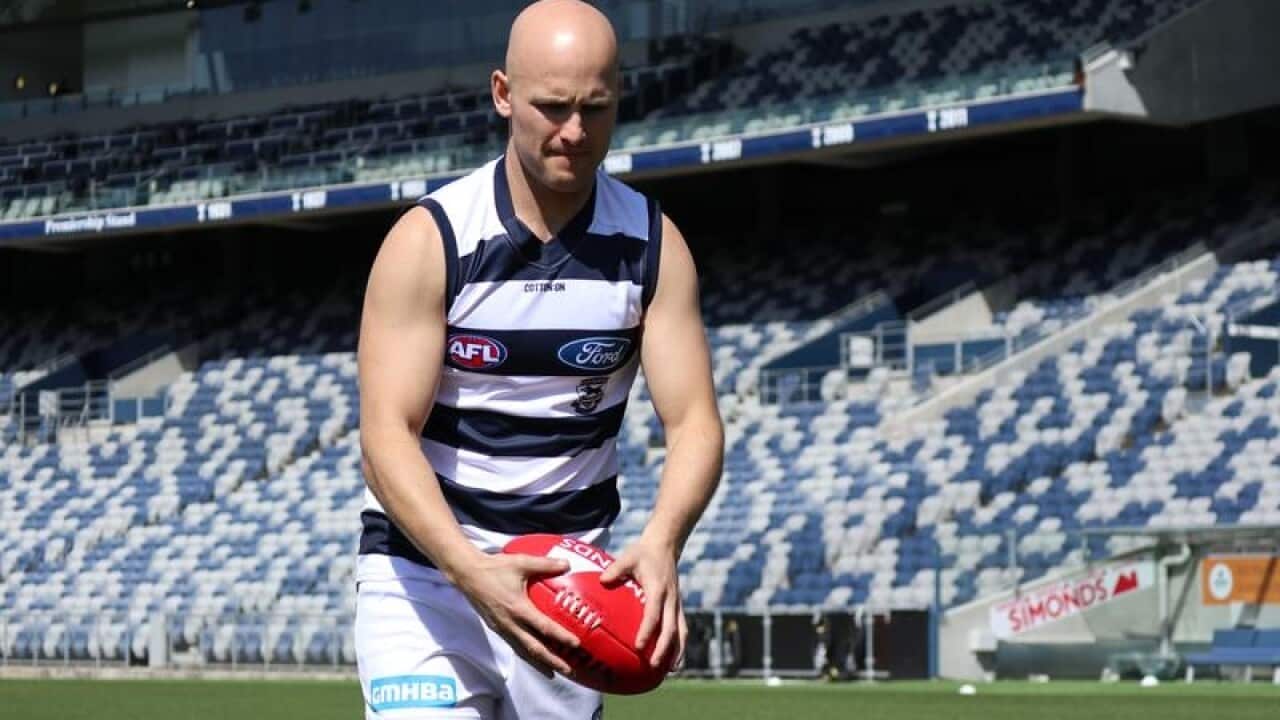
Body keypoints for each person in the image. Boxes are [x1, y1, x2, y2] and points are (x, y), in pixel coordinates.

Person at [354, 1, 724, 718]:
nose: (575, 132)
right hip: (426, 576)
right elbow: (385, 436)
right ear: (502, 94)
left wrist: (662, 541)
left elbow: (695, 424)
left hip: (571, 583)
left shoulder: (654, 245)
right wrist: (471, 571)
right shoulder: (431, 240)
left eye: (596, 108)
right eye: (552, 107)